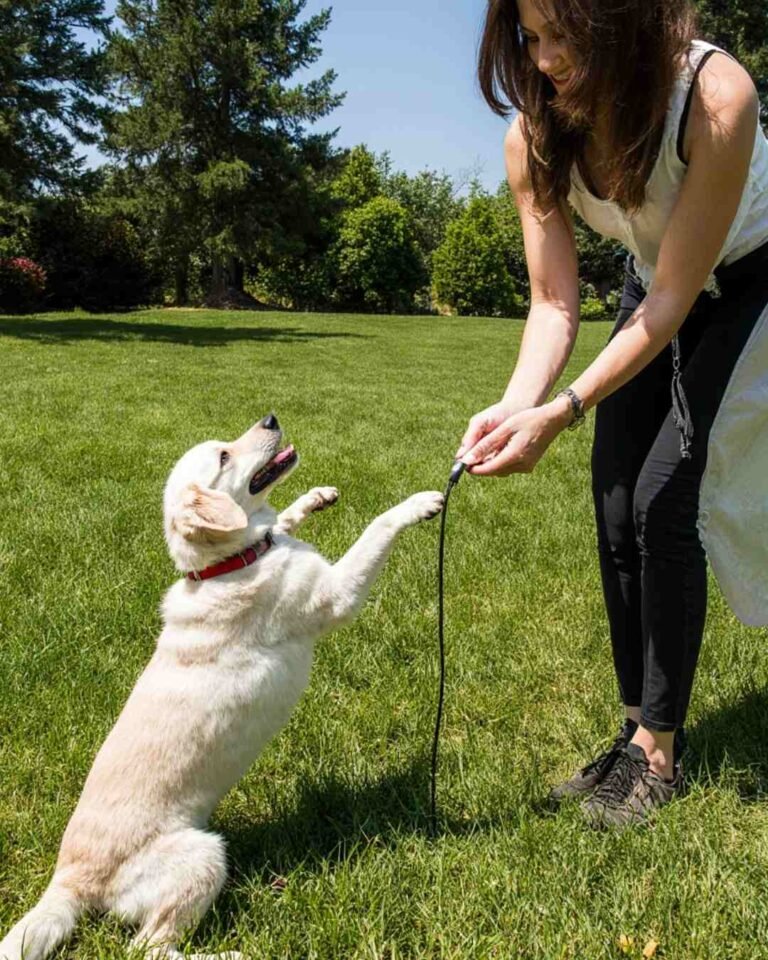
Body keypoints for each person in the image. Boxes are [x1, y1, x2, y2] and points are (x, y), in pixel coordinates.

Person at [458, 0, 768, 828]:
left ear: (622, 26)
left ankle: (659, 753)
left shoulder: (715, 98)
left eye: (565, 36)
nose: (546, 59)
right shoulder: (534, 134)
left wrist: (565, 408)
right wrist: (517, 407)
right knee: (615, 498)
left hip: (744, 281)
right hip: (657, 280)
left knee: (669, 496)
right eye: (529, 36)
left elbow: (673, 302)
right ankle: (637, 731)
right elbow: (554, 301)